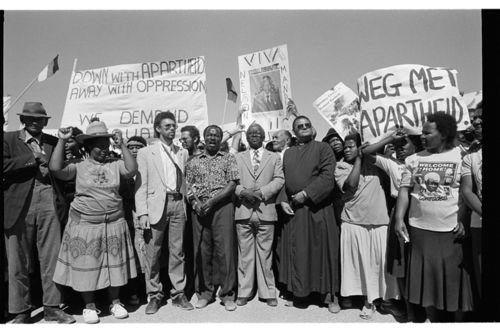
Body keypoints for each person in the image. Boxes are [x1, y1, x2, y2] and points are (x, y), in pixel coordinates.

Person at [49, 119, 137, 324]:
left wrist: (121, 144)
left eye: (107, 147)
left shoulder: (116, 164)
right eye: (100, 148)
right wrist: (61, 141)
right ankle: (89, 306)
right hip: (86, 226)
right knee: (86, 264)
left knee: (114, 265)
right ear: (88, 148)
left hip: (114, 223)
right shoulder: (78, 166)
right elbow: (55, 168)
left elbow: (132, 169)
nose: (105, 151)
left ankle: (115, 302)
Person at [395, 112, 474, 322]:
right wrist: (399, 219)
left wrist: (463, 219)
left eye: (427, 133)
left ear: (444, 133)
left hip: (451, 232)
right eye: (421, 132)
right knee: (427, 284)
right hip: (420, 231)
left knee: (454, 284)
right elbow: (404, 191)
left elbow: (467, 194)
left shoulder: (463, 156)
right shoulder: (413, 159)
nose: (422, 136)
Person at [3, 102, 75, 324]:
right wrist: (32, 158)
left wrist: (65, 145)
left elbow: (66, 170)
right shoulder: (8, 139)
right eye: (29, 118)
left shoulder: (54, 142)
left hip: (49, 201)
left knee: (51, 258)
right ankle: (20, 311)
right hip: (18, 204)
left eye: (39, 119)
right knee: (17, 261)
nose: (34, 122)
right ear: (23, 120)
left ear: (46, 122)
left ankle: (53, 307)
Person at [276, 115, 340, 313]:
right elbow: (282, 179)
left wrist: (307, 194)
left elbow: (328, 177)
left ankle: (329, 296)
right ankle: (300, 293)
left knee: (323, 253)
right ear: (294, 133)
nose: (303, 127)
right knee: (299, 253)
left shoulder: (323, 148)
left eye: (307, 125)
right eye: (299, 126)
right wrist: (282, 200)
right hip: (295, 210)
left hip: (317, 208)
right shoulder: (288, 153)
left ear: (312, 129)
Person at [334, 133, 399, 320]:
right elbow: (350, 185)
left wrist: (387, 143)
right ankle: (368, 301)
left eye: (351, 146)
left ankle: (386, 300)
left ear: (360, 147)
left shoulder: (375, 163)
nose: (346, 150)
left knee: (381, 264)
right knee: (362, 266)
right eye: (345, 147)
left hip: (379, 221)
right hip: (353, 222)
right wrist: (359, 160)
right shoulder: (340, 166)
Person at [360, 129, 423, 321]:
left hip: (422, 212)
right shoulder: (392, 163)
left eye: (403, 144)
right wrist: (389, 138)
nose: (399, 149)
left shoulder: (425, 159)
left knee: (420, 260)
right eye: (396, 147)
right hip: (400, 214)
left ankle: (425, 306)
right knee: (401, 261)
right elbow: (366, 152)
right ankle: (408, 308)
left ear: (416, 144)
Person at [134, 112, 193, 314]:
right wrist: (142, 213)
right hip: (156, 206)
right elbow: (140, 186)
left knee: (177, 252)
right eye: (167, 126)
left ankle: (178, 293)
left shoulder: (182, 152)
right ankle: (154, 295)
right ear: (158, 128)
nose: (172, 129)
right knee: (153, 253)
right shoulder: (146, 152)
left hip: (178, 203)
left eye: (174, 126)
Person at [186, 125, 240, 311]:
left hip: (222, 207)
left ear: (220, 139)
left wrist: (213, 201)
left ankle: (227, 295)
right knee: (202, 251)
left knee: (225, 252)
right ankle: (205, 293)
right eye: (209, 135)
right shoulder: (193, 162)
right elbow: (188, 186)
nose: (212, 138)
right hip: (200, 210)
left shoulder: (228, 158)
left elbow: (232, 184)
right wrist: (195, 204)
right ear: (203, 137)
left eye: (216, 135)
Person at [234, 123, 284, 307]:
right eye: (251, 133)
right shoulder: (237, 157)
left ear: (264, 137)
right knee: (245, 254)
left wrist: (262, 192)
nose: (254, 135)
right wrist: (242, 192)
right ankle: (244, 291)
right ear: (247, 138)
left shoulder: (274, 157)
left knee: (265, 253)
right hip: (243, 211)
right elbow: (231, 181)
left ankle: (268, 292)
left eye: (258, 133)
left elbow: (279, 179)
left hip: (266, 210)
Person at [119, 135, 148, 305]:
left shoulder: (149, 166)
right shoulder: (120, 167)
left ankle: (148, 291)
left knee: (147, 254)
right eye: (131, 147)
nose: (135, 150)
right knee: (130, 256)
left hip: (146, 217)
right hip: (126, 217)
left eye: (139, 146)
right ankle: (132, 292)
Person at [460, 115, 482, 313]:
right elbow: (467, 191)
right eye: (475, 122)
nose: (477, 124)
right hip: (479, 224)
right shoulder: (470, 158)